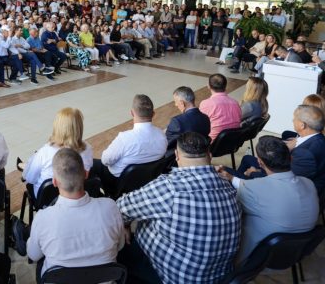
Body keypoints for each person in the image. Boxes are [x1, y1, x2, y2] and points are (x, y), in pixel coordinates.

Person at [117, 132, 241, 284]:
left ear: (176, 155)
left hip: (172, 277)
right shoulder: (228, 186)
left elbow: (119, 209)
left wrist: (125, 224)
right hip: (218, 276)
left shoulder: (169, 189)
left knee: (115, 245)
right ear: (209, 155)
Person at [216, 136, 319, 264]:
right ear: (291, 159)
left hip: (259, 258)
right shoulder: (309, 183)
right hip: (296, 252)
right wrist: (232, 178)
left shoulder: (254, 188)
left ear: (260, 163)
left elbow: (229, 210)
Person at [28, 148, 125, 276]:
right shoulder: (111, 207)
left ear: (55, 182)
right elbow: (120, 245)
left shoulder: (43, 218)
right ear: (86, 174)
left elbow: (33, 255)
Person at [93, 94, 168, 193]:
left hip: (119, 183)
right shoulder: (162, 136)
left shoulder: (125, 138)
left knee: (92, 163)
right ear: (153, 114)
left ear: (132, 113)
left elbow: (105, 160)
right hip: (147, 180)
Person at [23, 108, 94, 191]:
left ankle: (25, 165)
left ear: (57, 127)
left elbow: (30, 179)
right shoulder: (87, 148)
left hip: (48, 197)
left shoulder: (45, 151)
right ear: (79, 127)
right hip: (78, 192)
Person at [165, 86, 211, 157]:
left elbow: (167, 144)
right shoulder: (206, 118)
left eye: (175, 102)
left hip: (183, 158)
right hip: (202, 155)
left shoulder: (177, 121)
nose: (176, 105)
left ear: (182, 103)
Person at [200, 74, 242, 141]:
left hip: (213, 143)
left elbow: (200, 125)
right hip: (233, 141)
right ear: (225, 86)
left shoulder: (206, 104)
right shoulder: (235, 103)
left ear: (208, 86)